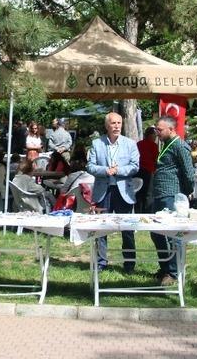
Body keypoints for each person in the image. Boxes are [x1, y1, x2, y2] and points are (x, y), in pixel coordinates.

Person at [86, 112, 140, 273]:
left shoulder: (130, 144)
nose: (117, 126)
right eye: (113, 123)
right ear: (106, 126)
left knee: (127, 229)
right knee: (102, 228)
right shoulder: (97, 143)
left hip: (124, 192)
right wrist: (105, 171)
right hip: (104, 191)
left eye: (119, 123)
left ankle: (129, 264)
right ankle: (101, 263)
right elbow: (90, 166)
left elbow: (135, 166)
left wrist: (118, 171)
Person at [150, 116, 195, 286]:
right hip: (160, 195)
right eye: (156, 130)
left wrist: (185, 193)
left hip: (171, 195)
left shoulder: (180, 146)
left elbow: (189, 174)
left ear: (171, 129)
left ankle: (174, 272)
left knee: (172, 234)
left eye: (160, 130)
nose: (157, 133)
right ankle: (165, 266)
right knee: (156, 232)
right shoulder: (166, 145)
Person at [135, 127, 158, 214]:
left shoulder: (138, 144)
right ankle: (147, 213)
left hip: (138, 171)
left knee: (138, 193)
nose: (155, 137)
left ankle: (138, 212)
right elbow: (155, 159)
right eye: (154, 135)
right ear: (151, 135)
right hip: (149, 171)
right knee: (148, 194)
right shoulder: (154, 145)